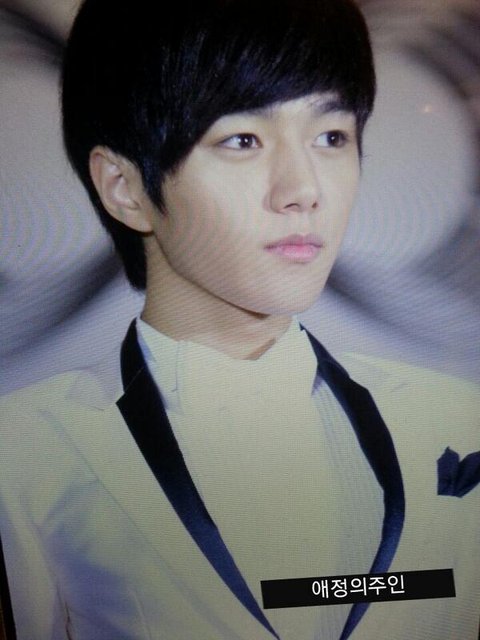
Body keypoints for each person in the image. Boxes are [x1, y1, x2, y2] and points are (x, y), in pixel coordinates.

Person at [0, 0, 479, 639]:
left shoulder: (452, 421)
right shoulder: (29, 451)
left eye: (331, 137)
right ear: (125, 187)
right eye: (243, 140)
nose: (303, 190)